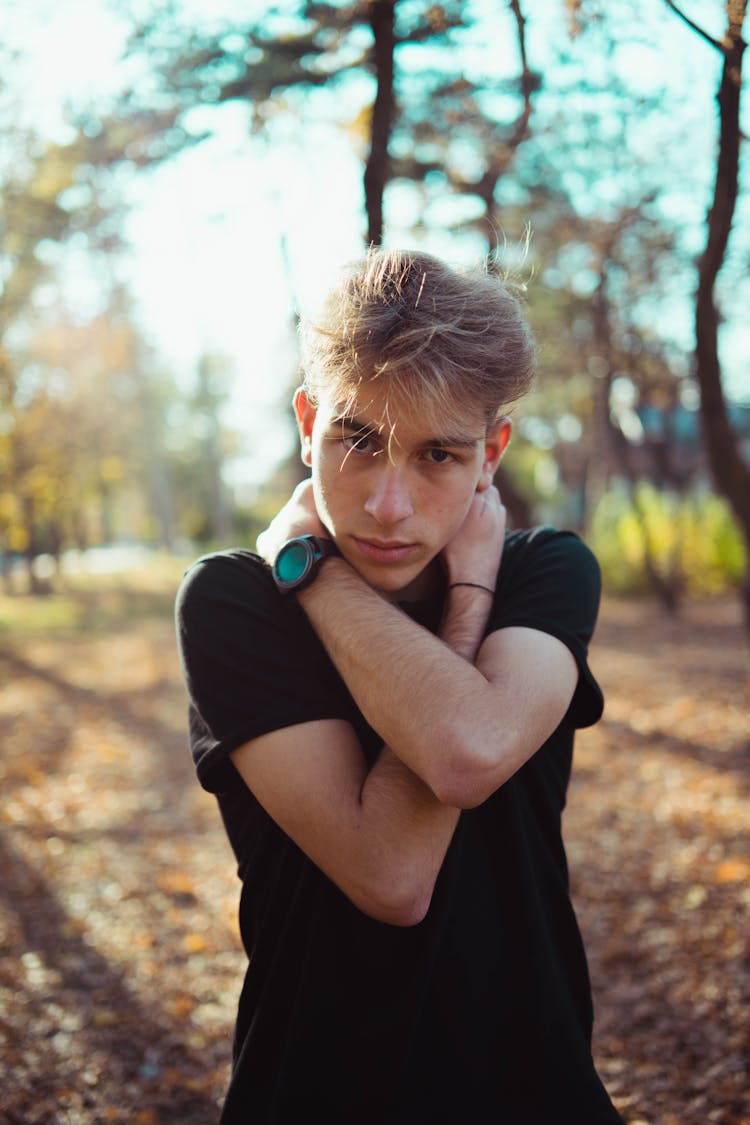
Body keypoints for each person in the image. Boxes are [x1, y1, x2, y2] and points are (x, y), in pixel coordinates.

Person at [175, 247, 624, 1124]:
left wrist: (445, 591)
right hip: (313, 1091)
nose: (388, 502)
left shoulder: (546, 572)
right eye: (357, 440)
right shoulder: (234, 600)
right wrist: (450, 602)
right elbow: (390, 874)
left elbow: (468, 752)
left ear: (491, 453)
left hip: (540, 1092)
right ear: (309, 421)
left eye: (438, 456)